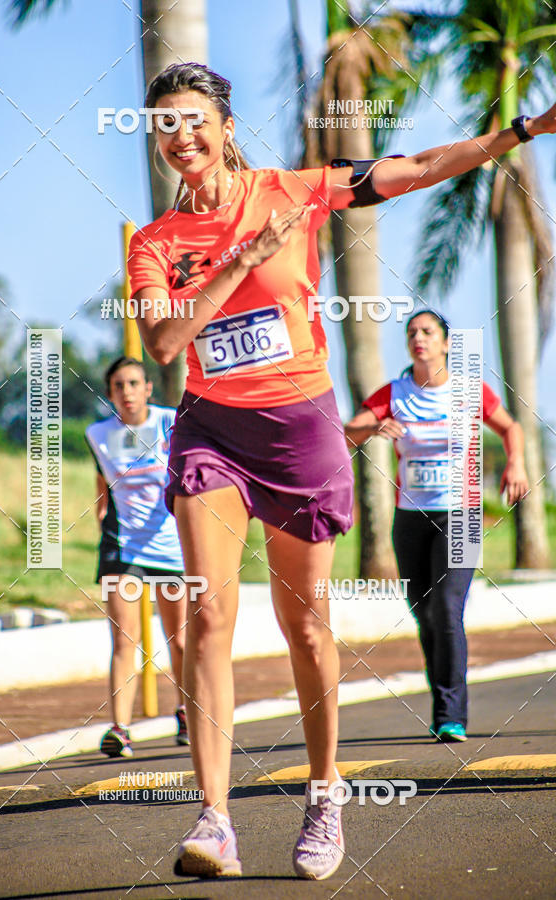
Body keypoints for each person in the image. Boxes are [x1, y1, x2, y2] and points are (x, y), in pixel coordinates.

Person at [127, 60, 555, 880]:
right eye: (162, 127)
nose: (179, 138)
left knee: (308, 625)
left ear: (224, 125)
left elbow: (420, 168)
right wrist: (244, 255)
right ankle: (214, 818)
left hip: (299, 431)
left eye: (192, 121)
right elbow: (164, 343)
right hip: (213, 429)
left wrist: (527, 131)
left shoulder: (297, 190)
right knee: (210, 616)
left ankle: (326, 795)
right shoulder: (157, 244)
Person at [345, 310, 529, 742]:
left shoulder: (467, 391)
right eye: (411, 333)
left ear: (446, 343)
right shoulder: (395, 392)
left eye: (427, 332)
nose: (418, 339)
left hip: (460, 514)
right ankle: (443, 704)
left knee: (447, 609)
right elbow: (347, 431)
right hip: (410, 518)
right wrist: (374, 426)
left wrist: (515, 463)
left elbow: (510, 426)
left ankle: (451, 714)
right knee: (424, 614)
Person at [85, 356, 189, 757]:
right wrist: (100, 514)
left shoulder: (170, 422)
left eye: (133, 384)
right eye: (118, 386)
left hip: (171, 545)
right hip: (123, 546)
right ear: (110, 393)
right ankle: (120, 728)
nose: (126, 392)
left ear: (147, 388)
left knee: (178, 640)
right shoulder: (98, 433)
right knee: (124, 639)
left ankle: (184, 712)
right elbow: (102, 478)